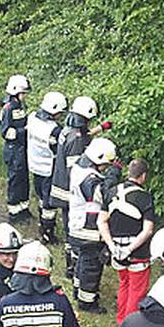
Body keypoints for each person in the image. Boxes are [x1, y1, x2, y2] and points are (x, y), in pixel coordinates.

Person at [51, 96, 108, 270]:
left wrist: (100, 129)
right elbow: (75, 167)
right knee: (73, 229)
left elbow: (85, 136)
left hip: (62, 185)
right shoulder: (75, 138)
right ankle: (73, 266)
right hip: (70, 190)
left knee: (70, 225)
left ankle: (73, 263)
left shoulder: (69, 130)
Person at [100, 159, 156, 324]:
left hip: (116, 249)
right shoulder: (145, 197)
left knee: (124, 283)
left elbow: (101, 221)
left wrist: (112, 246)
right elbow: (148, 229)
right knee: (137, 290)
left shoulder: (111, 192)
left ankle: (121, 320)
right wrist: (130, 248)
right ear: (143, 176)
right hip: (137, 251)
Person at [67, 138, 117, 313]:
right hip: (87, 230)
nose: (106, 168)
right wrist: (112, 176)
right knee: (91, 267)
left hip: (78, 225)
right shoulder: (89, 178)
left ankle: (78, 290)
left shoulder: (80, 167)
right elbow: (102, 196)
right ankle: (87, 302)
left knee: (82, 262)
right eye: (106, 164)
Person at [27, 91, 66, 244]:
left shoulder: (32, 118)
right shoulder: (55, 130)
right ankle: (47, 232)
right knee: (49, 203)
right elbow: (60, 149)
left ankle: (42, 224)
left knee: (42, 199)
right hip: (49, 168)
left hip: (35, 165)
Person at [0, 74, 31, 223]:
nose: (24, 96)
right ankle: (14, 212)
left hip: (22, 149)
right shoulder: (8, 108)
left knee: (24, 180)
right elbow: (6, 132)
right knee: (15, 180)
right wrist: (24, 130)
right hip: (13, 150)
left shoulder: (20, 106)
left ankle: (24, 209)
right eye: (23, 93)